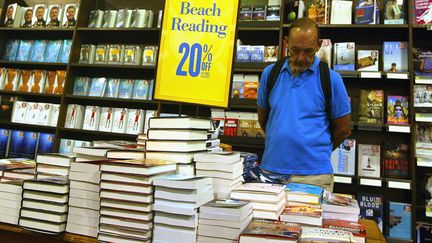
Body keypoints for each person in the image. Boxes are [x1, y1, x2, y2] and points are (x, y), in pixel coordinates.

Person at [255, 18, 351, 192]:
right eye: (295, 50)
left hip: (314, 177)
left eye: (308, 51)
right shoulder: (269, 75)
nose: (300, 58)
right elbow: (264, 120)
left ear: (319, 45)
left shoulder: (331, 80)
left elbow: (343, 130)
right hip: (270, 172)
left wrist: (315, 151)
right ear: (286, 43)